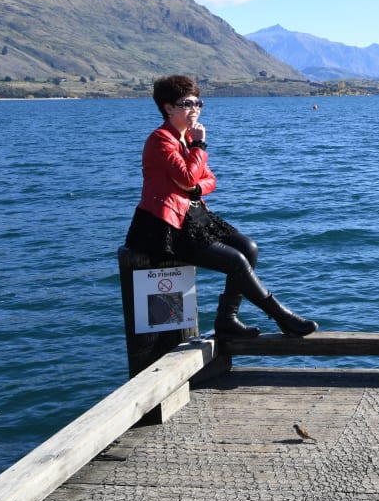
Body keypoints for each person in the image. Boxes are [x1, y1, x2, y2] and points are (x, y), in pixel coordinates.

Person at [125, 75, 318, 339]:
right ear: (168, 107)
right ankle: (282, 316)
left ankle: (227, 318)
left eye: (198, 103)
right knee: (235, 261)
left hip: (194, 214)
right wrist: (199, 147)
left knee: (248, 248)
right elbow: (187, 175)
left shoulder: (185, 140)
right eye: (187, 103)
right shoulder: (161, 140)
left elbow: (208, 180)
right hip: (166, 224)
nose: (195, 109)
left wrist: (195, 187)